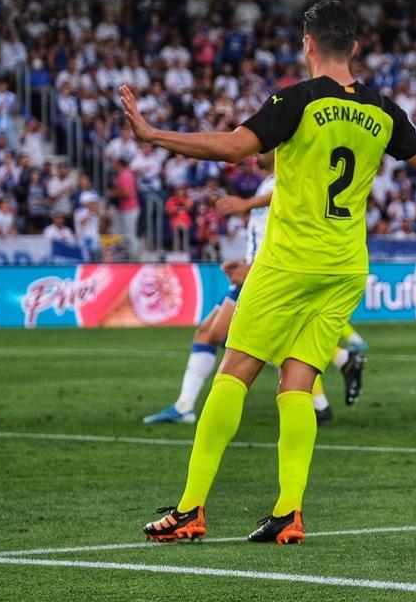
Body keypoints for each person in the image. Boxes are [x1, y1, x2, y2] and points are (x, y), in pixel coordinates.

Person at [124, 0, 416, 545]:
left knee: (235, 372)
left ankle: (190, 508)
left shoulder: (296, 100)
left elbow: (234, 148)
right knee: (298, 380)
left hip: (289, 261)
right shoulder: (383, 110)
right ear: (355, 48)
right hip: (345, 267)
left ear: (308, 44)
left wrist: (154, 135)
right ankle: (288, 513)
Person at [142, 154, 369, 427]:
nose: (256, 152)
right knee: (216, 334)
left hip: (266, 276)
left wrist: (246, 206)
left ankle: (329, 383)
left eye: (264, 147)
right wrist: (245, 261)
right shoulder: (268, 184)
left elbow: (290, 205)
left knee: (229, 336)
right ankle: (337, 370)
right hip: (254, 271)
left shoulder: (287, 178)